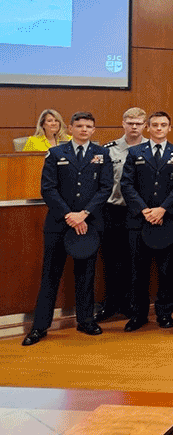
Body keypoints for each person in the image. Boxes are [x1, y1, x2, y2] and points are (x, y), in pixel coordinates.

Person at [23, 111, 113, 346]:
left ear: (94, 130)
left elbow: (105, 188)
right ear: (70, 127)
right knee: (50, 275)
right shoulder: (55, 153)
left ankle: (85, 321)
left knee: (86, 275)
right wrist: (69, 215)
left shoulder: (102, 154)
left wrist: (83, 214)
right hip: (58, 224)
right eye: (80, 125)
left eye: (89, 126)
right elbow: (48, 189)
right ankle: (39, 327)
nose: (84, 130)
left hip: (89, 223)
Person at [120, 111, 173, 332]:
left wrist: (162, 209)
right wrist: (144, 210)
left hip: (167, 221)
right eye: (155, 125)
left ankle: (164, 313)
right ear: (148, 128)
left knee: (167, 271)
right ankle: (138, 314)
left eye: (164, 125)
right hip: (139, 221)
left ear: (170, 128)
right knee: (137, 271)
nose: (159, 128)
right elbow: (127, 185)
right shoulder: (134, 152)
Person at [96, 107, 147, 323]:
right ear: (123, 124)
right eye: (130, 123)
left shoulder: (150, 149)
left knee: (135, 260)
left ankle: (131, 304)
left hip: (140, 212)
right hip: (114, 209)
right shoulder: (109, 150)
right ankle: (111, 303)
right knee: (111, 258)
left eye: (138, 123)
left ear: (144, 125)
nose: (134, 127)